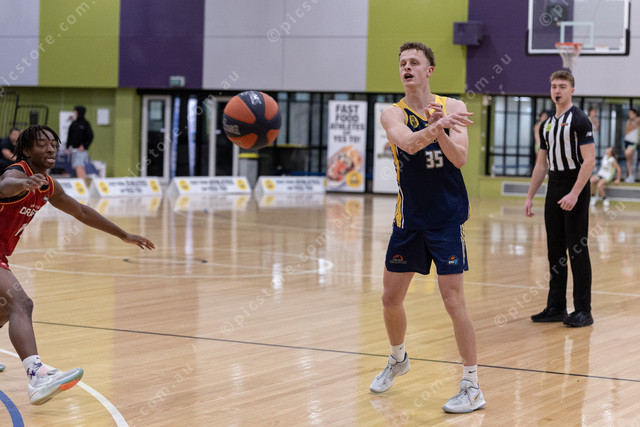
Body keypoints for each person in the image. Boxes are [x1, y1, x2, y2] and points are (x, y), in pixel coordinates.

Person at [0, 125, 155, 405]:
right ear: (26, 150)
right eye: (42, 144)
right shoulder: (18, 174)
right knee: (21, 303)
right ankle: (37, 377)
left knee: (4, 308)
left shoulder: (48, 185)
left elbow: (81, 211)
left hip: (2, 253)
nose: (50, 148)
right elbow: (4, 185)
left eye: (53, 144)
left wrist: (123, 235)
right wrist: (23, 184)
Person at [369, 41, 484, 414]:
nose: (407, 67)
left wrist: (443, 128)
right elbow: (407, 144)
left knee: (453, 300)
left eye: (414, 62)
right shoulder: (392, 113)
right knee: (390, 299)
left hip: (446, 219)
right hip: (409, 219)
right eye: (402, 62)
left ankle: (472, 386)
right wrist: (436, 127)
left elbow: (460, 158)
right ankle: (398, 358)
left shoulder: (454, 107)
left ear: (429, 70)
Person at [525, 70, 596, 327]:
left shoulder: (579, 120)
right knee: (554, 250)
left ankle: (583, 310)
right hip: (554, 185)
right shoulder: (547, 125)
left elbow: (590, 160)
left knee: (577, 249)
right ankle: (556, 307)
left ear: (571, 90)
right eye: (554, 86)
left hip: (575, 184)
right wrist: (530, 196)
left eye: (562, 86)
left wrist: (575, 193)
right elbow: (541, 164)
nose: (557, 90)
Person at [67, 106, 93, 179]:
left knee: (78, 165)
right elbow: (69, 136)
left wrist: (84, 146)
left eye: (75, 112)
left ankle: (82, 181)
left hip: (81, 150)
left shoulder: (85, 124)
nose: (74, 113)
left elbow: (90, 136)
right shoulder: (73, 123)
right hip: (73, 149)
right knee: (77, 166)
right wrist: (67, 147)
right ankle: (82, 181)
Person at [623, 108, 640, 183]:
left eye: (631, 113)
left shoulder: (638, 119)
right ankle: (630, 175)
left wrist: (632, 124)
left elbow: (631, 127)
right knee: (629, 159)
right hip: (627, 141)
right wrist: (631, 125)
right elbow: (626, 130)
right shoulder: (628, 121)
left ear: (635, 114)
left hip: (633, 142)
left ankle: (632, 175)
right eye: (629, 114)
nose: (630, 115)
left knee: (628, 154)